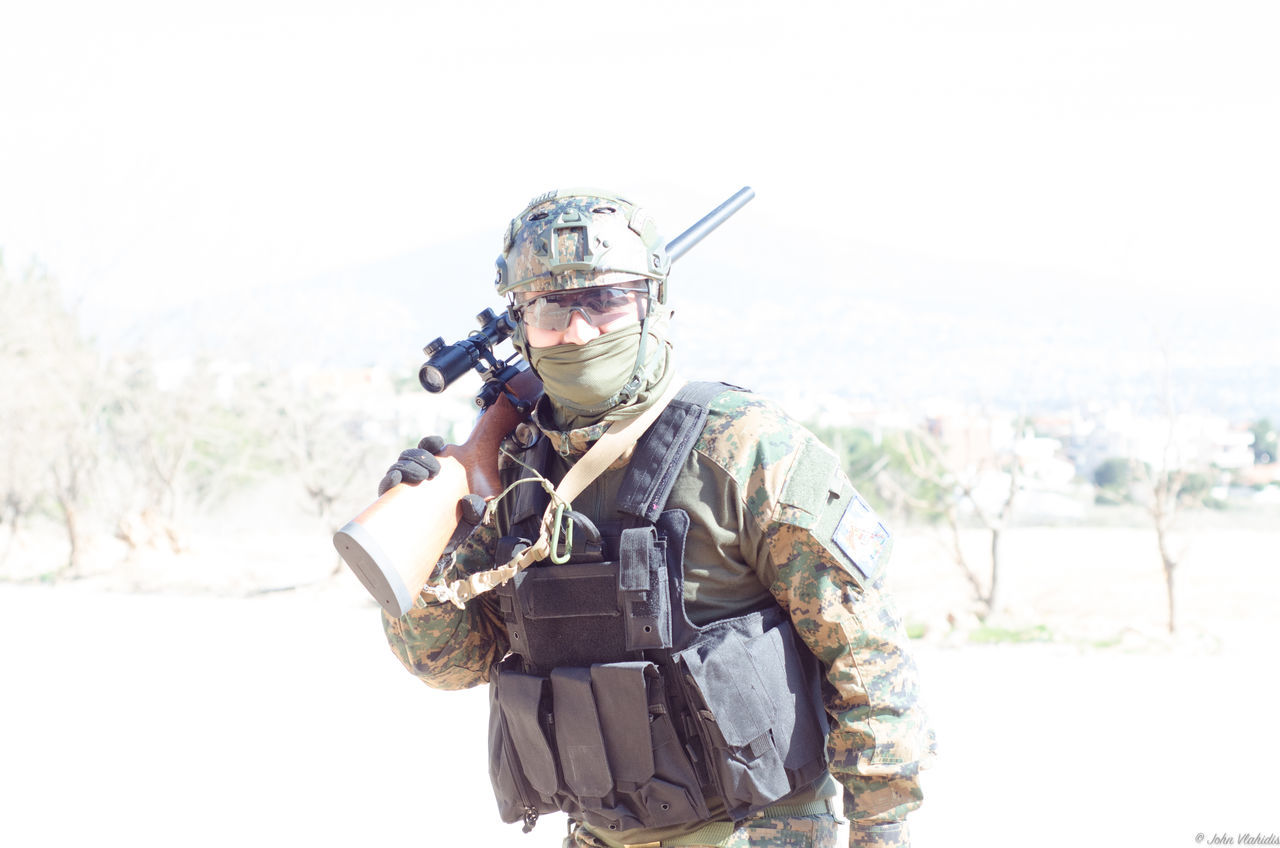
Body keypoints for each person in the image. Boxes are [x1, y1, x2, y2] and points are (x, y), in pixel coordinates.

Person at [378, 189, 934, 848]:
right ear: (522, 324)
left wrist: (880, 830)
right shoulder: (514, 469)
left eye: (604, 301)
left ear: (654, 304)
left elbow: (865, 657)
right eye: (550, 309)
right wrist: (425, 553)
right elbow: (450, 665)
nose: (578, 331)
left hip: (759, 833)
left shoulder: (742, 445)